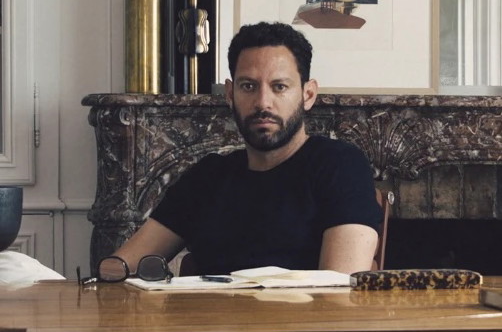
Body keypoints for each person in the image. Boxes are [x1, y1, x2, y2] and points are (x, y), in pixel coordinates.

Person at [109, 21, 382, 276]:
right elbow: (124, 265)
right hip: (207, 324)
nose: (263, 102)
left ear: (308, 95)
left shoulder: (340, 166)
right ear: (230, 94)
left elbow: (338, 290)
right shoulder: (208, 176)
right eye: (248, 86)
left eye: (279, 87)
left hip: (300, 327)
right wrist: (92, 279)